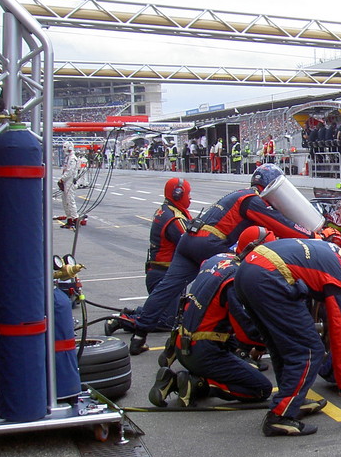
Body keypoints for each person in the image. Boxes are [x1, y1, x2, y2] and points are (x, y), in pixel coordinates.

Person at [120, 165, 318, 354]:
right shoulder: (253, 200)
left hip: (188, 241)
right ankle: (242, 345)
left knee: (166, 289)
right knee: (240, 287)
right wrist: (314, 235)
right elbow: (283, 225)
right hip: (210, 244)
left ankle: (139, 336)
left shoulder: (238, 194)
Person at [235, 237, 341, 436]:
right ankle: (279, 416)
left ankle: (292, 401)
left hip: (249, 270)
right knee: (309, 350)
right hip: (268, 277)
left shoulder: (339, 255)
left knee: (283, 347)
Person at [148, 228, 276, 409]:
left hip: (183, 343)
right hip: (203, 351)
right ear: (256, 250)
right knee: (261, 388)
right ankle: (197, 384)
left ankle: (181, 379)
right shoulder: (236, 280)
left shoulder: (218, 259)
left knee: (244, 362)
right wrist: (274, 341)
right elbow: (246, 333)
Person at [144, 178, 193, 294]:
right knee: (169, 312)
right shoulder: (174, 219)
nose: (190, 197)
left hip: (157, 273)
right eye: (188, 193)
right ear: (178, 194)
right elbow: (192, 246)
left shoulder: (164, 210)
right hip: (165, 275)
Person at [58, 142, 81, 229]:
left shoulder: (72, 159)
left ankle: (75, 219)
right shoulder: (67, 158)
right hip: (66, 181)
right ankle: (69, 219)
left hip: (70, 182)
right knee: (65, 201)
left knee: (70, 200)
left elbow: (70, 172)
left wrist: (62, 179)